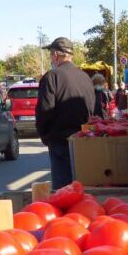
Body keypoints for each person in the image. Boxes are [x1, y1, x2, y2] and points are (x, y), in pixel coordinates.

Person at [35, 36, 95, 189]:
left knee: (64, 191)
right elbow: (95, 109)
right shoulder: (85, 77)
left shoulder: (51, 77)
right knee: (85, 188)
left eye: (50, 55)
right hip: (85, 140)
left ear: (55, 55)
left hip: (61, 141)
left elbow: (44, 110)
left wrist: (44, 136)